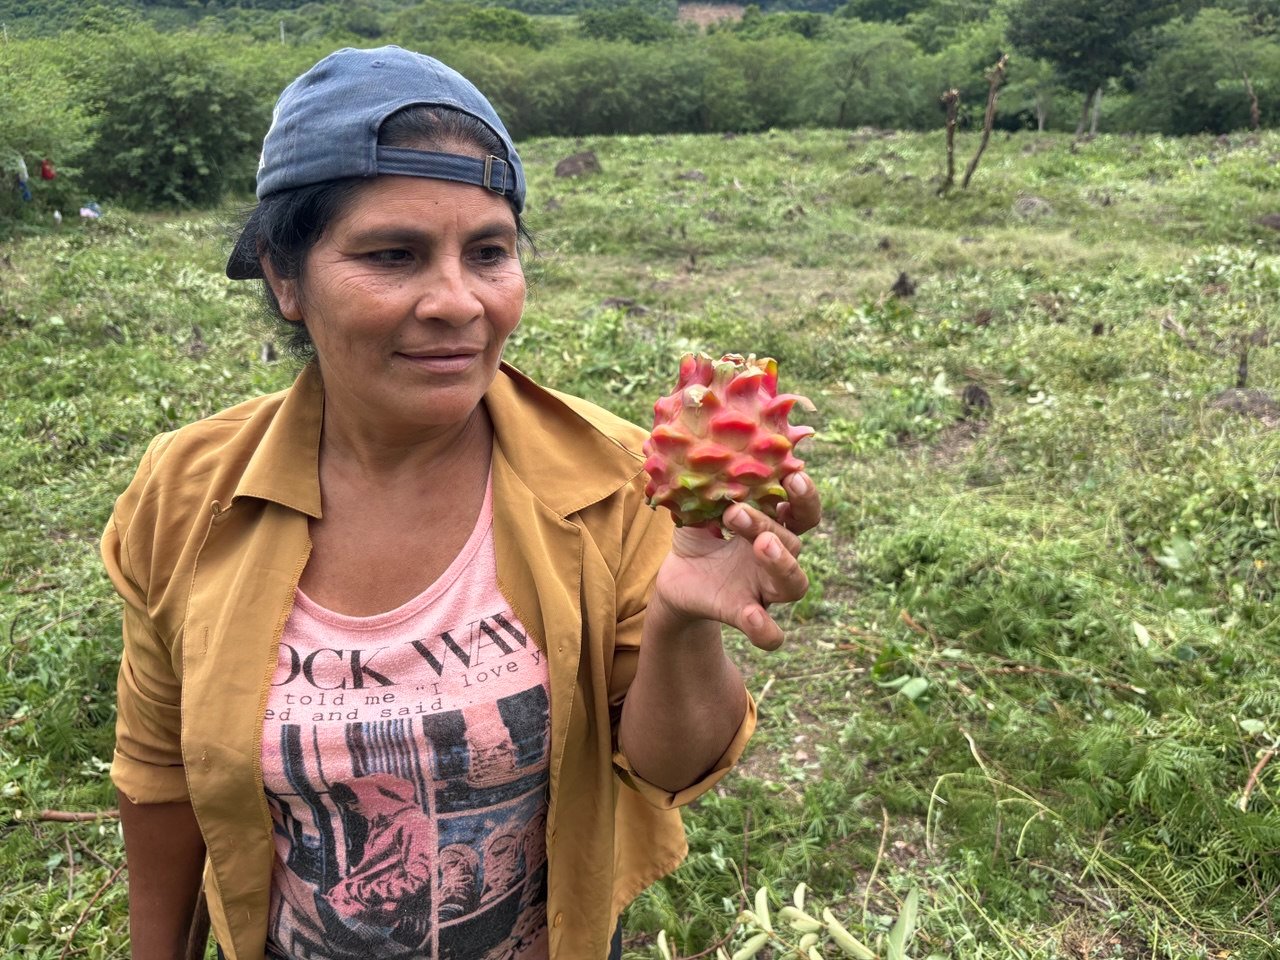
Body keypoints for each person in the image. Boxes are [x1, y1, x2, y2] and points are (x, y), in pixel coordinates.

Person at [102, 45, 820, 960]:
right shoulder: (187, 493)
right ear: (286, 279)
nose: (457, 302)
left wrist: (682, 620)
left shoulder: (616, 478)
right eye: (392, 255)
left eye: (489, 253)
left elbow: (666, 766)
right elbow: (160, 774)